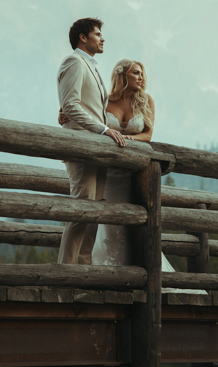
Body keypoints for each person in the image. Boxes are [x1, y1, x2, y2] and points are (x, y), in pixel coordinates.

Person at [59, 59, 205, 294]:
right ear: (122, 75)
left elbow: (147, 135)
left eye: (142, 74)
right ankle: (103, 273)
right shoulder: (105, 100)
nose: (141, 77)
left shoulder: (147, 101)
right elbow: (85, 115)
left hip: (134, 174)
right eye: (136, 73)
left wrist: (125, 139)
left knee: (137, 220)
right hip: (109, 171)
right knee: (106, 219)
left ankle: (142, 272)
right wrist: (63, 114)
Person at [56, 18, 127, 265]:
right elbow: (71, 104)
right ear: (83, 38)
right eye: (97, 34)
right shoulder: (74, 61)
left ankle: (84, 269)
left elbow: (85, 107)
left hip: (97, 149)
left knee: (94, 212)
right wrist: (104, 130)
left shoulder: (92, 66)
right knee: (81, 211)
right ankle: (66, 271)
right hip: (81, 147)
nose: (102, 38)